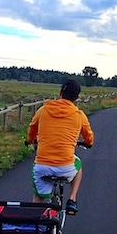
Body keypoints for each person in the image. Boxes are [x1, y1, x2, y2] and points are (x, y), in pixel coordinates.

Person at [26, 78, 94, 214]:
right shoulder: (79, 115)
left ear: (60, 93)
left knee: (38, 198)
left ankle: (33, 221)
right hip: (65, 167)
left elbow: (32, 128)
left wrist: (30, 140)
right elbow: (89, 137)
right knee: (78, 163)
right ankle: (72, 199)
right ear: (77, 97)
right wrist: (87, 142)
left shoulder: (43, 110)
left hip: (42, 166)